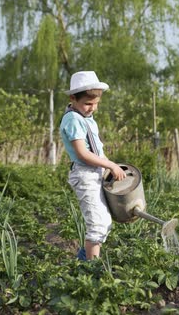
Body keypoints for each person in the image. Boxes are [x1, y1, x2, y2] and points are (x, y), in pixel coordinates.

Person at [60, 71, 126, 260]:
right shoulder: (73, 120)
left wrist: (107, 167)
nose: (93, 108)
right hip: (85, 174)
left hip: (95, 172)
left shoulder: (86, 118)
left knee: (104, 223)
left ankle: (82, 262)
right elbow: (83, 153)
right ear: (73, 98)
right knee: (97, 225)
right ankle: (90, 271)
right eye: (88, 103)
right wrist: (110, 165)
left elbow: (96, 150)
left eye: (96, 104)